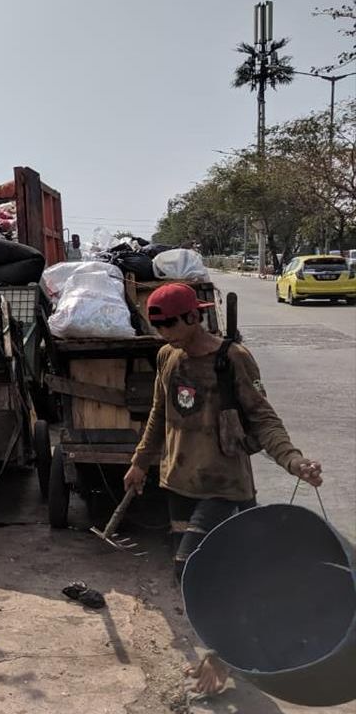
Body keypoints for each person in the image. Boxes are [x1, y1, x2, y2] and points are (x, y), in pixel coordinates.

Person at [122, 283, 323, 696]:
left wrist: (294, 461)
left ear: (194, 317)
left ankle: (223, 652)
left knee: (197, 569)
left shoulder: (232, 359)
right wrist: (140, 462)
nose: (162, 333)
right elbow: (160, 412)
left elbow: (263, 417)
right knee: (195, 577)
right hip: (178, 482)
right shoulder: (166, 356)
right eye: (156, 326)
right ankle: (224, 647)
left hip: (225, 487)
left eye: (168, 324)